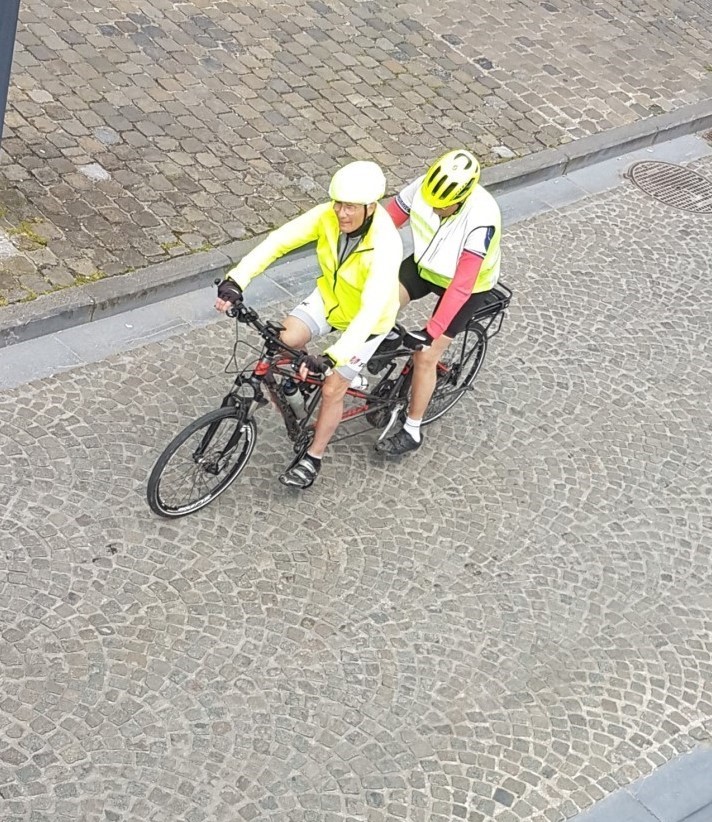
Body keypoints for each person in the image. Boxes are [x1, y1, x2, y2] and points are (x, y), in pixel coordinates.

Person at [215, 160, 403, 489]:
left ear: (371, 207)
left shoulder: (386, 245)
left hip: (368, 320)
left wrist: (332, 357)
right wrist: (236, 280)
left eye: (351, 208)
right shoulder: (327, 216)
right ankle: (293, 389)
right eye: (338, 204)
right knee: (284, 341)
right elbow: (278, 242)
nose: (342, 213)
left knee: (332, 388)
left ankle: (313, 457)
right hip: (330, 300)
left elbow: (370, 310)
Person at [371, 149, 502, 456]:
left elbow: (461, 284)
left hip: (467, 286)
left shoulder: (482, 217)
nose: (435, 208)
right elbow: (387, 222)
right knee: (378, 305)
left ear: (463, 198)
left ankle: (412, 429)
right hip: (425, 266)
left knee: (426, 356)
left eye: (443, 207)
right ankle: (386, 339)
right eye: (432, 202)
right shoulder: (423, 188)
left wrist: (430, 332)